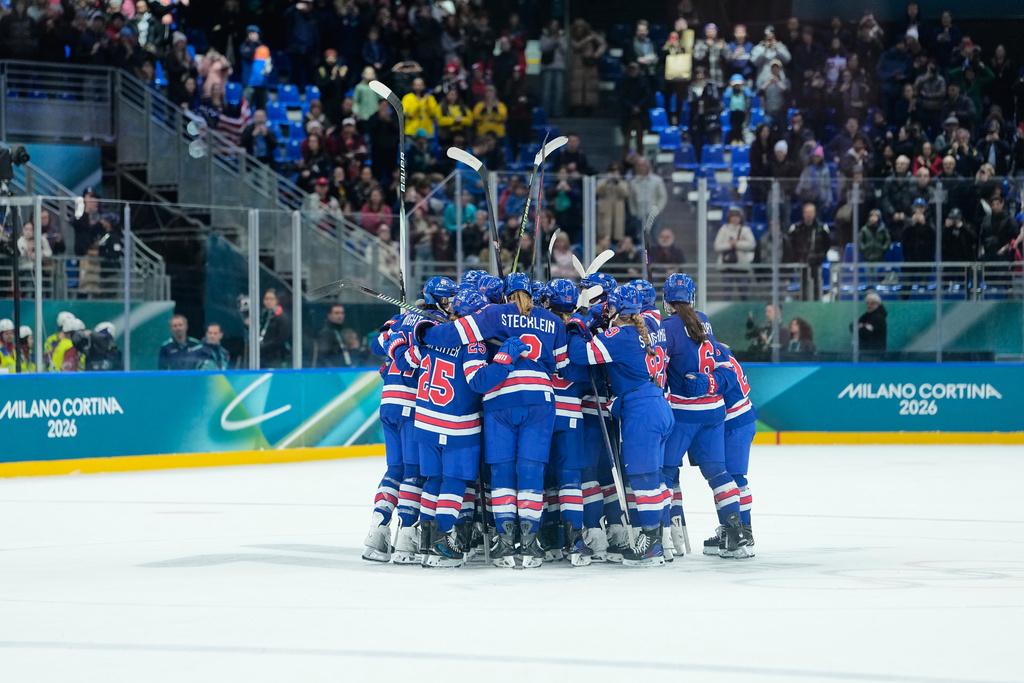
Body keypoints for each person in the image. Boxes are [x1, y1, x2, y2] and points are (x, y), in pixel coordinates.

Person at [417, 274, 567, 569]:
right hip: (541, 398)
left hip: (502, 397)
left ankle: (505, 544)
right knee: (531, 471)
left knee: (501, 472)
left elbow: (448, 336)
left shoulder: (494, 313)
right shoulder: (554, 321)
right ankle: (531, 544)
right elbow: (563, 366)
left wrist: (424, 331)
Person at [567, 283, 674, 566]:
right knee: (656, 477)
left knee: (643, 477)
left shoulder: (621, 334)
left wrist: (579, 322)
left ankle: (650, 544)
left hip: (641, 409)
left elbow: (579, 354)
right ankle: (660, 540)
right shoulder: (647, 327)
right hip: (658, 402)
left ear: (616, 309)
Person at [661, 274, 752, 559]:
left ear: (667, 301)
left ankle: (663, 539)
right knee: (719, 474)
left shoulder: (668, 327)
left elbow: (657, 367)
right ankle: (736, 533)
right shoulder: (703, 320)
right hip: (714, 412)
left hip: (684, 414)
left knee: (665, 472)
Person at [784, 203, 831, 298]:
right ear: (803, 214)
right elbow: (789, 246)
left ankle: (817, 304)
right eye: (807, 212)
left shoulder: (822, 228)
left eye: (811, 212)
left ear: (814, 213)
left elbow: (827, 245)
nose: (809, 215)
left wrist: (820, 257)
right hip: (801, 263)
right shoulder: (795, 229)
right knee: (803, 286)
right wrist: (797, 257)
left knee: (817, 285)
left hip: (817, 263)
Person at [568, 19, 604, 116]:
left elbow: (603, 43)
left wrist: (597, 54)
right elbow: (576, 46)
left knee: (590, 85)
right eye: (578, 27)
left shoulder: (592, 34)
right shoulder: (572, 36)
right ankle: (577, 108)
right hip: (577, 63)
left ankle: (589, 107)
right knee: (577, 86)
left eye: (582, 26)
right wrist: (588, 39)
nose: (580, 29)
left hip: (590, 63)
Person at [687, 65, 722, 161]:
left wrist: (706, 96)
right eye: (698, 74)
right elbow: (690, 101)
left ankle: (713, 161)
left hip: (710, 117)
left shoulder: (711, 85)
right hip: (696, 118)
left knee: (712, 141)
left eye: (702, 74)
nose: (700, 76)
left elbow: (716, 99)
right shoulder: (692, 87)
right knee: (697, 142)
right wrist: (699, 100)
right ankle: (698, 161)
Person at [539, 20, 568, 118]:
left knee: (559, 91)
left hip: (559, 66)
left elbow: (565, 49)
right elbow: (543, 48)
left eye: (556, 25)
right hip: (547, 66)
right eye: (552, 25)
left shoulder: (562, 37)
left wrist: (559, 39)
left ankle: (558, 112)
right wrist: (552, 40)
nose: (554, 27)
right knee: (546, 91)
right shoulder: (544, 36)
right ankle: (545, 113)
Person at [258, 288, 290, 368]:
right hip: (262, 356)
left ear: (276, 301)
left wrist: (264, 347)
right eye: (267, 299)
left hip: (276, 357)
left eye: (272, 299)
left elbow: (281, 339)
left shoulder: (281, 317)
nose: (269, 301)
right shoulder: (263, 316)